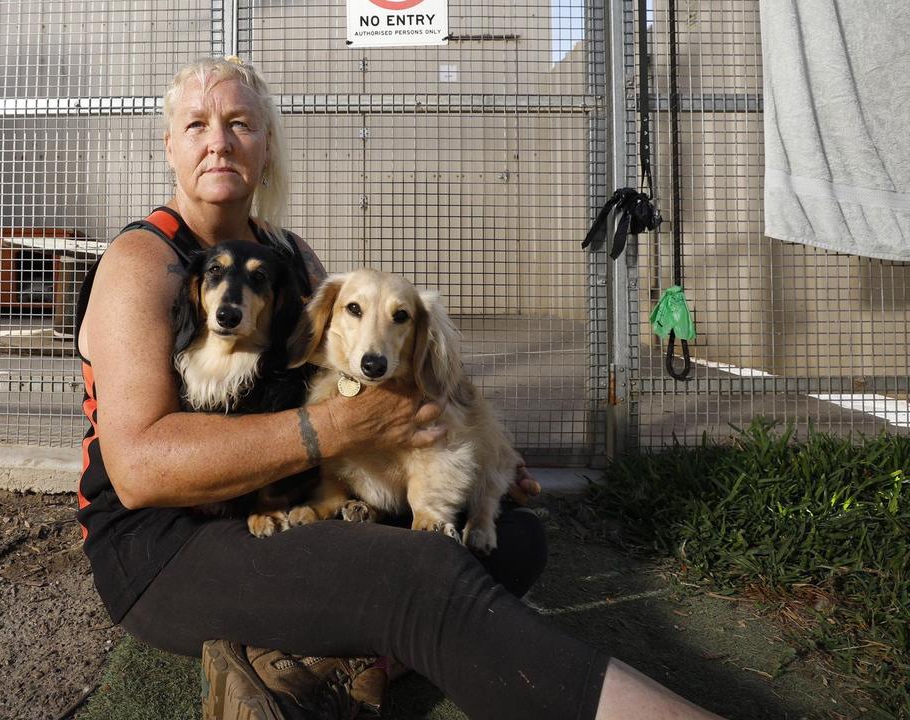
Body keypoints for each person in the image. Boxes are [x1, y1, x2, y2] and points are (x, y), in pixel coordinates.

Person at [75, 55, 722, 720]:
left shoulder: (294, 257)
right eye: (197, 125)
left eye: (240, 124)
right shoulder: (143, 263)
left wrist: (475, 456)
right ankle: (349, 646)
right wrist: (342, 429)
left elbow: (370, 386)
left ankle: (310, 663)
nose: (219, 141)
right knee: (426, 572)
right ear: (170, 146)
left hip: (283, 510)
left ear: (267, 145)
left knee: (510, 535)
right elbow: (142, 469)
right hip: (168, 548)